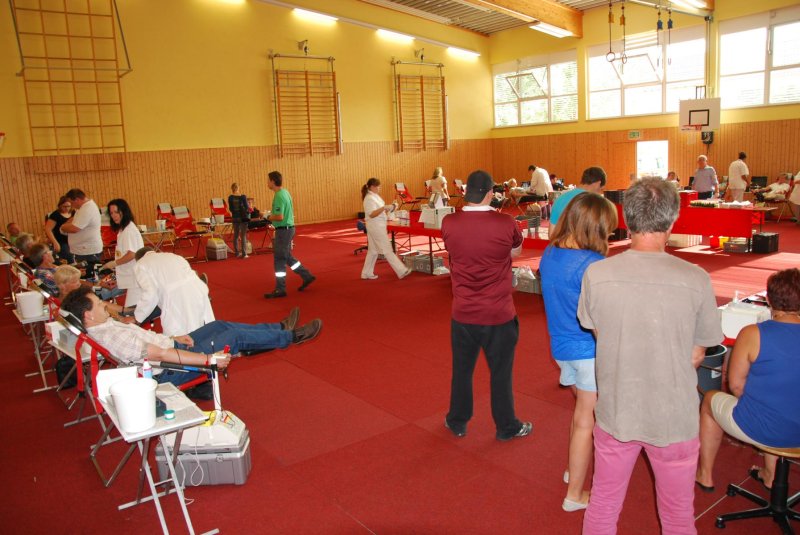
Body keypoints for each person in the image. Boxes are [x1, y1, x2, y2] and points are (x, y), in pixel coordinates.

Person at [578, 178, 724, 534]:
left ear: (626, 217)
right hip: (673, 416)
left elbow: (601, 333)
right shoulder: (696, 278)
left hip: (617, 411)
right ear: (673, 221)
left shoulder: (597, 274)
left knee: (603, 504)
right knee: (677, 516)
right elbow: (697, 353)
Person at [60, 286, 322, 394]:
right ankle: (290, 336)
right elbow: (158, 357)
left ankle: (277, 328)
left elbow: (154, 345)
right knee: (234, 336)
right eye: (98, 303)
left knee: (219, 324)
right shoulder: (111, 334)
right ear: (87, 315)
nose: (104, 304)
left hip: (170, 347)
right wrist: (206, 360)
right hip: (171, 370)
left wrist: (172, 338)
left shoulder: (105, 326)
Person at [540, 192, 618, 513]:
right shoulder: (594, 265)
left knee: (580, 415)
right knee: (587, 420)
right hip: (589, 351)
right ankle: (575, 494)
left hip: (561, 346)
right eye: (609, 229)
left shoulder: (550, 253)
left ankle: (575, 468)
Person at [441, 170, 532, 442]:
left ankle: (457, 421)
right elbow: (516, 252)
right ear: (491, 194)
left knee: (461, 371)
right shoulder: (505, 222)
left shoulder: (449, 222)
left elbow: (452, 252)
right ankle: (507, 426)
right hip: (498, 314)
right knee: (501, 375)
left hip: (463, 313)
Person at [696, 268, 800, 494]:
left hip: (766, 427)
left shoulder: (753, 334)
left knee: (710, 400)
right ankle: (770, 474)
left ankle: (704, 475)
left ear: (769, 299)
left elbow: (735, 386)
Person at [134, 247, 215, 337]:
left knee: (181, 334)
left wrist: (137, 318)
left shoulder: (140, 264)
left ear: (138, 259)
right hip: (198, 288)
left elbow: (150, 294)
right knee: (201, 325)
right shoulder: (172, 255)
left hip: (176, 297)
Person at [264, 170, 316, 298]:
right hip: (288, 228)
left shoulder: (278, 196)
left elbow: (279, 216)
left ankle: (280, 288)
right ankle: (306, 275)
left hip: (283, 230)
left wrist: (268, 216)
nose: (267, 183)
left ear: (272, 181)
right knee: (286, 256)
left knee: (279, 258)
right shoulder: (285, 192)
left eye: (268, 180)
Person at [360, 178, 412, 280]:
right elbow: (372, 214)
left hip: (377, 225)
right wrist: (384, 208)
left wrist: (390, 207)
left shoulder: (374, 196)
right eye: (378, 186)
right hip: (375, 226)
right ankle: (401, 270)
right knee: (387, 249)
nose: (379, 188)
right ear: (372, 187)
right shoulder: (369, 198)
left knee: (373, 251)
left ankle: (366, 273)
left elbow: (379, 210)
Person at [103, 199, 144, 308]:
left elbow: (132, 254)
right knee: (133, 310)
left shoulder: (128, 230)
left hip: (136, 278)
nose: (114, 216)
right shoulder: (124, 229)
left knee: (131, 311)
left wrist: (115, 263)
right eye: (111, 213)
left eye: (116, 212)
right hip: (132, 276)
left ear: (124, 211)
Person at [60, 188, 103, 275]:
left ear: (77, 200)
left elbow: (75, 228)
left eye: (71, 203)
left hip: (88, 252)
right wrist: (66, 226)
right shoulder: (82, 208)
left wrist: (62, 227)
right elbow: (72, 221)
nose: (71, 206)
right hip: (83, 251)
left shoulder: (87, 209)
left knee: (89, 277)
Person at [44, 196, 75, 263]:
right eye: (64, 206)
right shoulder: (55, 215)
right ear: (60, 205)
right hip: (61, 241)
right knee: (69, 258)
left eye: (69, 206)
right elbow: (48, 229)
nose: (67, 208)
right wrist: (55, 242)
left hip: (72, 240)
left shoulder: (73, 213)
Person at [228, 182, 250, 258]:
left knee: (236, 235)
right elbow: (247, 207)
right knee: (243, 235)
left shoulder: (230, 198)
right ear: (238, 188)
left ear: (232, 189)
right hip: (243, 218)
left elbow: (230, 209)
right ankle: (244, 254)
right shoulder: (243, 197)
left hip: (235, 217)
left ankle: (237, 253)